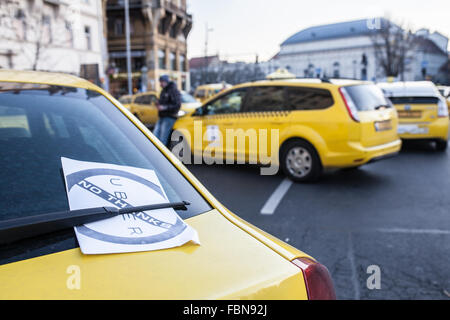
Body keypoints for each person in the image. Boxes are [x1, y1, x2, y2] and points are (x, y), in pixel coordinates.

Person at [153, 75, 181, 147]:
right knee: (154, 136)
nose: (160, 84)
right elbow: (164, 101)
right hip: (162, 116)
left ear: (166, 81)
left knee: (163, 138)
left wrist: (164, 107)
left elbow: (177, 105)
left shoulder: (173, 90)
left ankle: (161, 155)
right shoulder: (163, 91)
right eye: (160, 82)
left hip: (169, 117)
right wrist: (158, 103)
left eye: (161, 82)